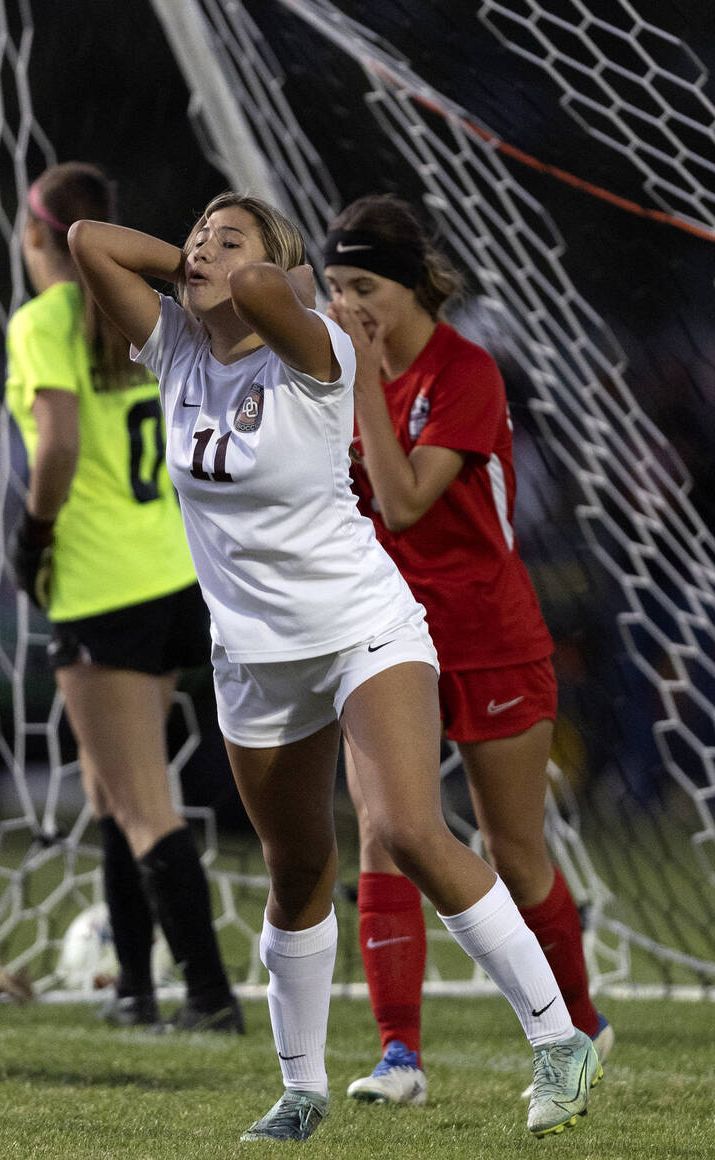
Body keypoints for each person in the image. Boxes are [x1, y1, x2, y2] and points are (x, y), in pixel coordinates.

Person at [68, 189, 602, 1142]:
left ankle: (559, 1039)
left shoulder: (317, 344)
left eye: (223, 239)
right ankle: (302, 1087)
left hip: (365, 625)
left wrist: (238, 270)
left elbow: (272, 289)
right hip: (253, 655)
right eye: (194, 236)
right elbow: (87, 239)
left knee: (405, 826)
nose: (198, 251)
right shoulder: (178, 348)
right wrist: (195, 267)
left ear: (272, 262)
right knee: (296, 865)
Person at [322, 193, 613, 1107]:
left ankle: (584, 1027)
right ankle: (399, 1057)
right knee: (384, 834)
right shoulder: (342, 373)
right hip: (382, 636)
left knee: (511, 851)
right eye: (334, 287)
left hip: (486, 636)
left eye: (363, 285)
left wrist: (363, 380)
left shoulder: (466, 373)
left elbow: (406, 502)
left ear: (412, 286)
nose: (348, 305)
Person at [5, 162, 242, 1035]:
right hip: (175, 573)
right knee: (113, 794)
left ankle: (211, 997)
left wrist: (31, 536)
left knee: (141, 802)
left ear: (38, 236)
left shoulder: (45, 320)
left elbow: (57, 442)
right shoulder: (145, 310)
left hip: (102, 586)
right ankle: (137, 989)